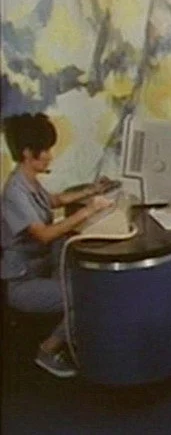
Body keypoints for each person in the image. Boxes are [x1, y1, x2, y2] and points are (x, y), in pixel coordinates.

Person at [1, 113, 115, 378]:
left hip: (41, 267)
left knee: (86, 276)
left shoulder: (27, 180)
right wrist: (88, 212)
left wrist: (91, 191)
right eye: (46, 150)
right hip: (22, 283)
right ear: (28, 153)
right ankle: (48, 349)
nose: (50, 156)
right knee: (87, 296)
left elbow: (53, 201)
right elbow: (43, 235)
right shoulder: (15, 192)